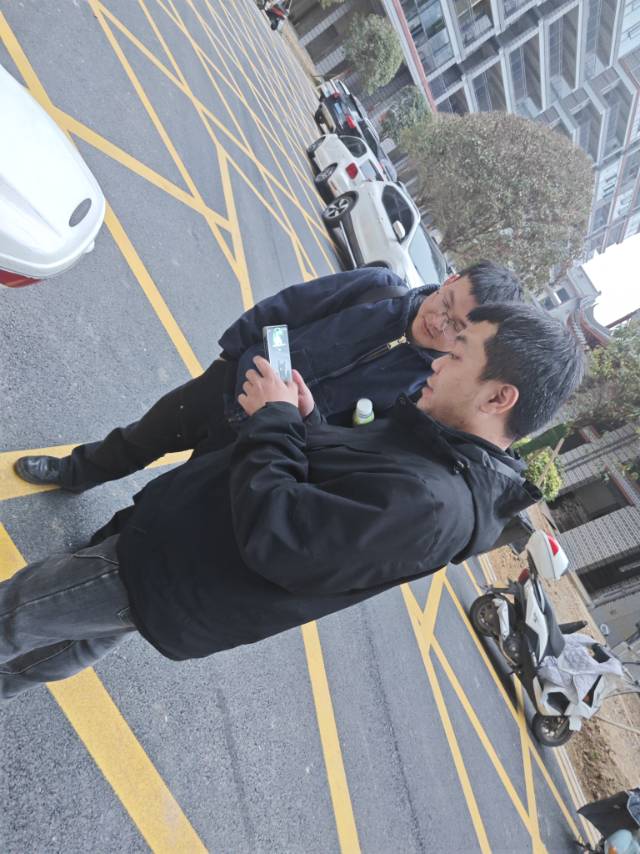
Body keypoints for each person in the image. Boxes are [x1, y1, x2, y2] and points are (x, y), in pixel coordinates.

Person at [0, 303, 584, 701]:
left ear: (498, 397)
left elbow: (283, 538)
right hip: (177, 563)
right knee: (73, 638)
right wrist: (307, 421)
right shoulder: (438, 452)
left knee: (18, 611)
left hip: (174, 567)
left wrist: (275, 420)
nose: (437, 360)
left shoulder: (436, 504)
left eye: (458, 356)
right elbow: (337, 486)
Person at [14, 261, 523, 492]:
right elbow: (292, 305)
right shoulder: (379, 288)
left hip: (262, 438)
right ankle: (75, 472)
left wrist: (301, 431)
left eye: (458, 327)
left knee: (176, 495)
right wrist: (232, 354)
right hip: (230, 383)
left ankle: (101, 555)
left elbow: (356, 442)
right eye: (445, 302)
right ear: (449, 278)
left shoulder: (426, 388)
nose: (440, 322)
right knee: (142, 436)